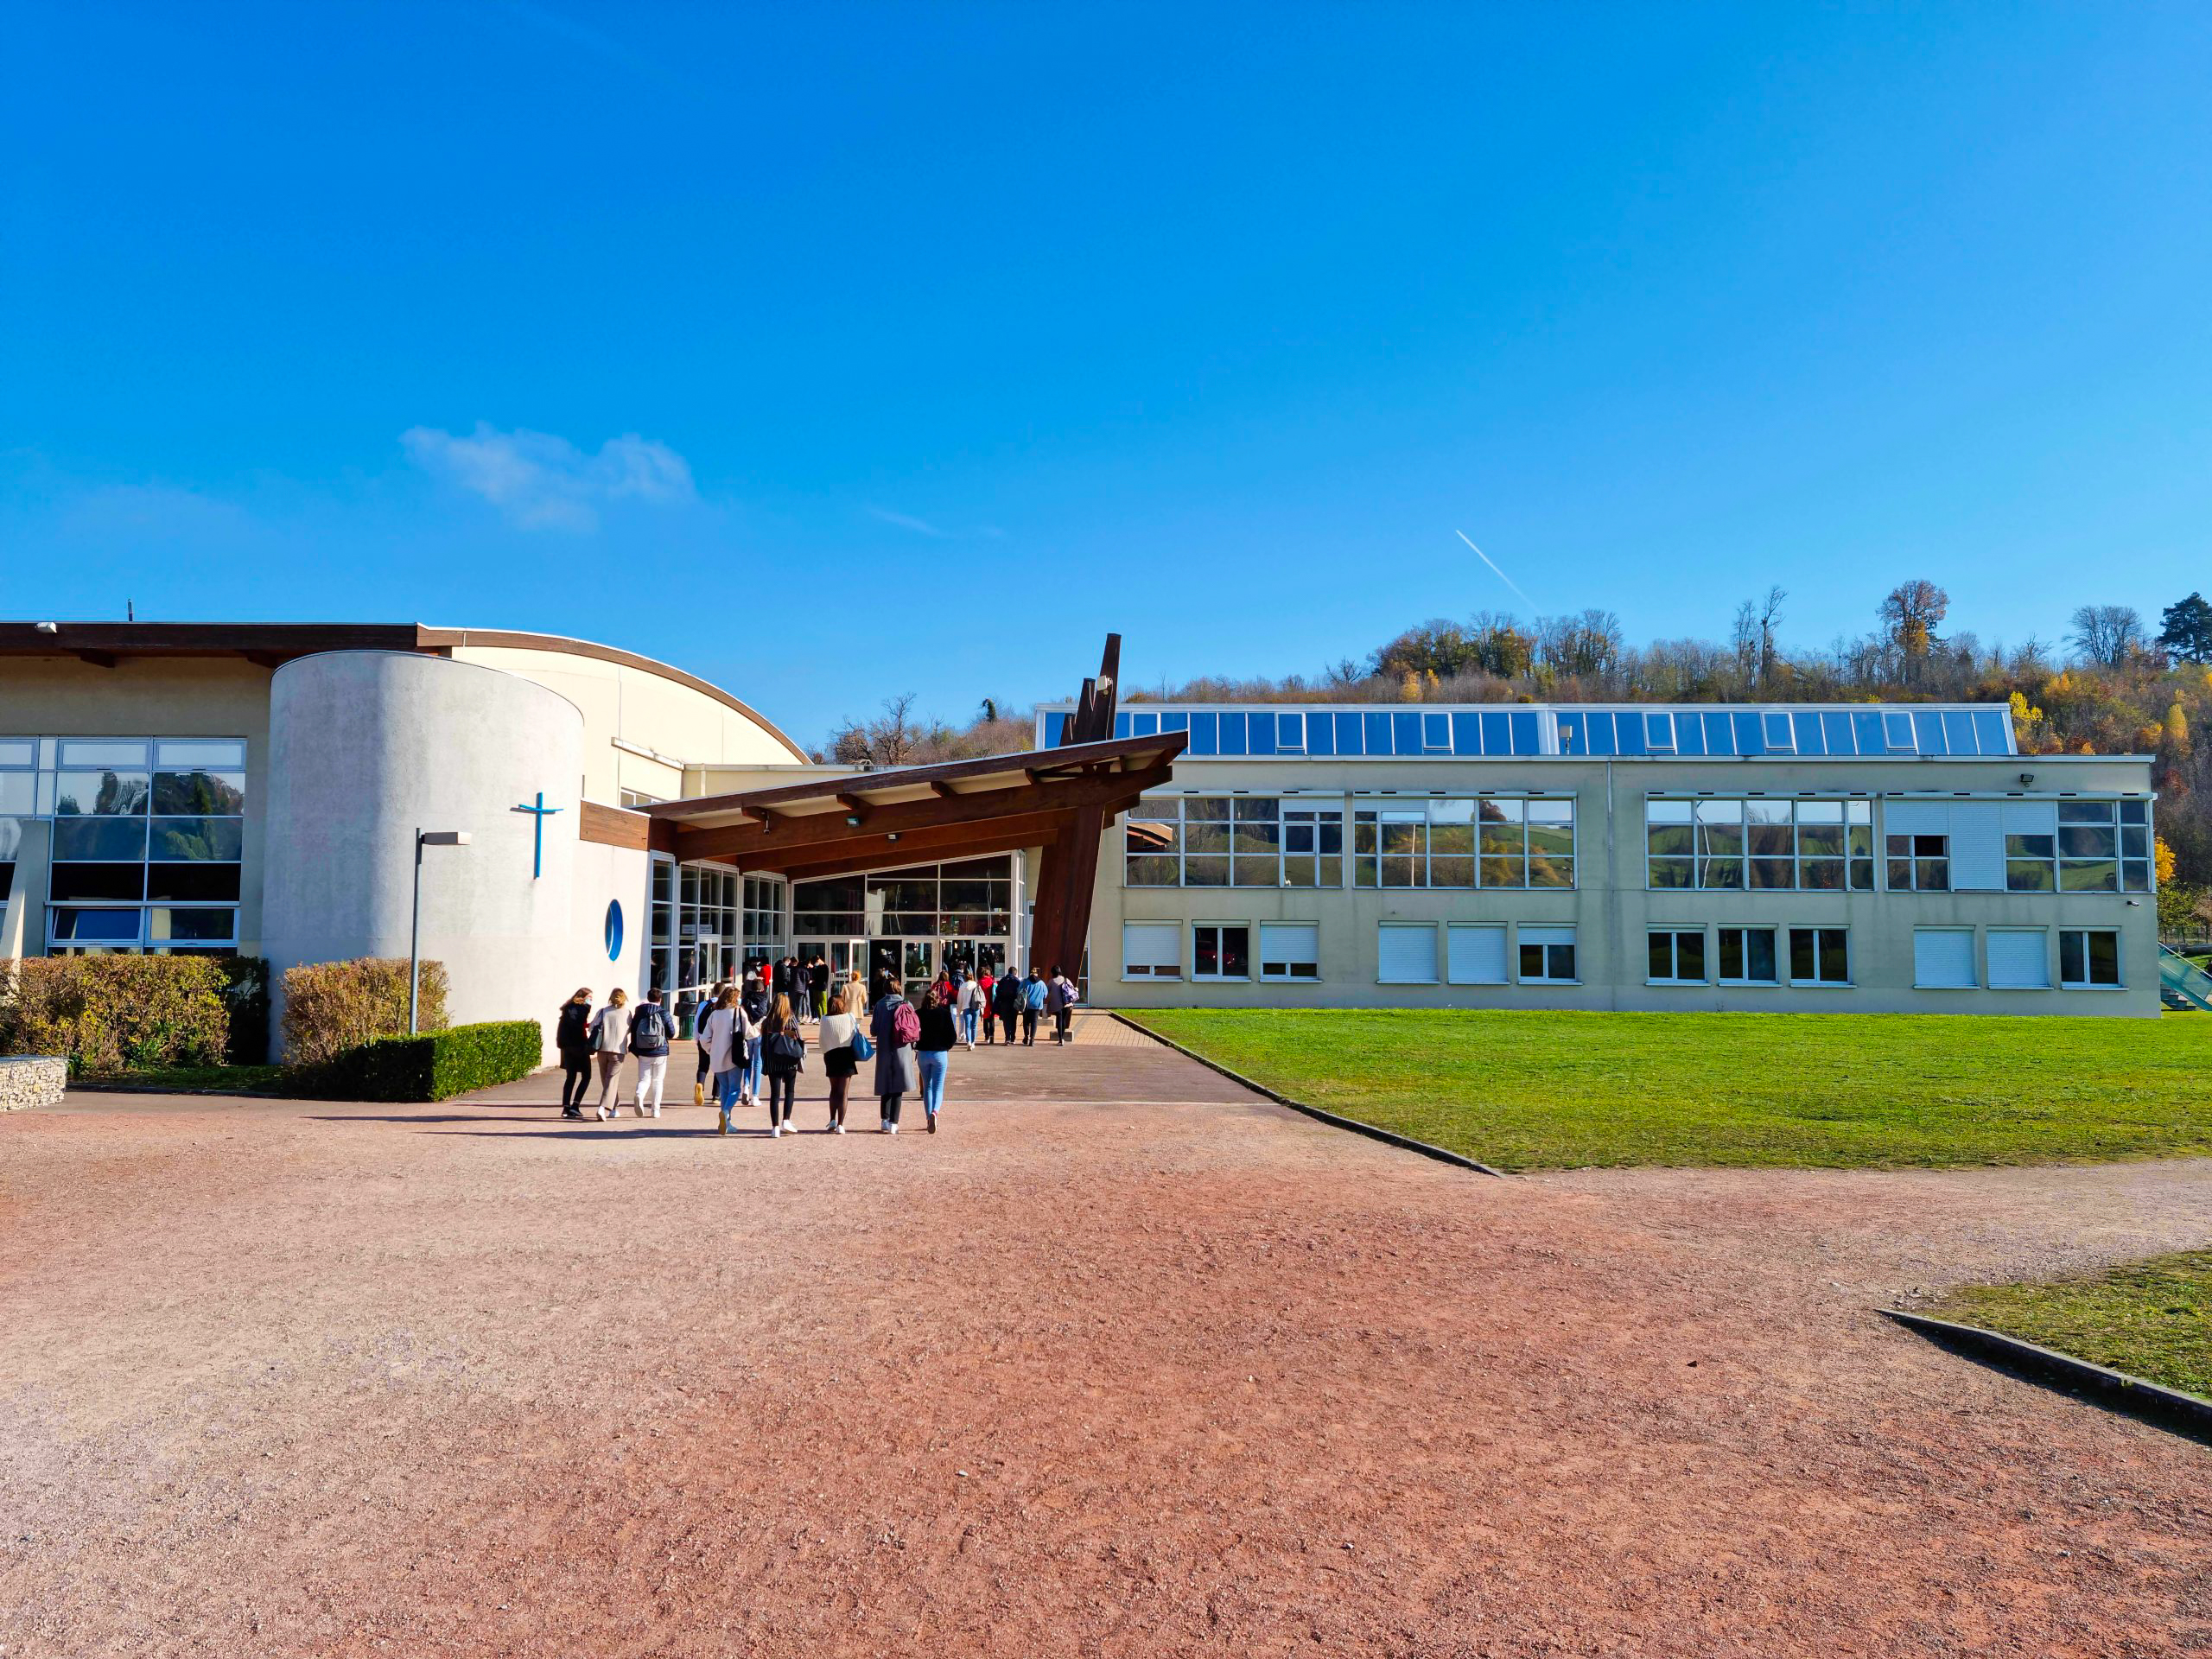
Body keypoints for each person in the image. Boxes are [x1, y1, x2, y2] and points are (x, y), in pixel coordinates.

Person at [870, 970, 918, 1133]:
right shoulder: (907, 1004)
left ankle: (884, 1119)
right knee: (898, 1085)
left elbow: (874, 1030)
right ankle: (894, 1123)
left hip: (884, 1048)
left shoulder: (879, 1005)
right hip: (902, 1047)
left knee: (885, 1083)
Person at [702, 987, 751, 1135]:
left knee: (724, 1089)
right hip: (734, 1056)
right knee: (735, 1089)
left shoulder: (714, 1014)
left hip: (717, 1057)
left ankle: (726, 1122)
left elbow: (704, 1038)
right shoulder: (738, 1012)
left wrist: (712, 1049)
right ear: (735, 998)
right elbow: (748, 1032)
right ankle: (725, 1112)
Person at [759, 994, 807, 1137]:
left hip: (773, 1061)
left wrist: (765, 1061)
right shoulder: (790, 1018)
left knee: (775, 1094)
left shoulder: (767, 1021)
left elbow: (763, 1044)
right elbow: (798, 1037)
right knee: (789, 1091)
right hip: (789, 1059)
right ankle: (786, 1119)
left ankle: (775, 1127)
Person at [817, 987, 862, 1134]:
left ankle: (832, 1119)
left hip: (830, 1054)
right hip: (846, 1054)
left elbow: (822, 1039)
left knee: (834, 1089)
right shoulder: (849, 1017)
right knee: (844, 1091)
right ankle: (841, 1124)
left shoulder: (824, 1019)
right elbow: (855, 1034)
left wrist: (826, 1051)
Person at [916, 982, 957, 1133]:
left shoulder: (918, 1013)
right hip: (940, 1053)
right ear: (938, 999)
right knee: (938, 1087)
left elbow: (914, 1033)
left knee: (927, 1087)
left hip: (923, 1053)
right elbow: (952, 1036)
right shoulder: (944, 1014)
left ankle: (928, 1117)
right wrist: (946, 1047)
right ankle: (935, 1112)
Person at [589, 988, 633, 1119]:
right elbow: (630, 1029)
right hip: (618, 1051)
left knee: (606, 1080)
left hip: (602, 1049)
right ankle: (602, 1107)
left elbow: (592, 1027)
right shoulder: (627, 1013)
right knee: (611, 1080)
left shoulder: (603, 1012)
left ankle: (613, 1108)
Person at [627, 986, 672, 1116]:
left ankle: (639, 1096)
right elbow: (672, 1032)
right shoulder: (663, 1013)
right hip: (660, 1051)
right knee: (658, 1080)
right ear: (660, 999)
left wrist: (636, 1048)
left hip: (643, 1051)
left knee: (644, 1079)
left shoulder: (639, 1012)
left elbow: (634, 1031)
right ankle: (655, 1110)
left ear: (648, 998)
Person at [556, 987, 594, 1118]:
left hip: (567, 1047)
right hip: (579, 1046)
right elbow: (578, 1027)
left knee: (570, 1077)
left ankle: (566, 1108)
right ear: (584, 997)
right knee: (586, 1076)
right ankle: (575, 1105)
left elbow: (570, 1025)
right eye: (590, 997)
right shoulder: (584, 1009)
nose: (591, 1000)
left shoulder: (567, 1008)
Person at [739, 972, 770, 1106]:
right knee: (758, 1064)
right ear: (762, 988)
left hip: (747, 1033)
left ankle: (746, 1086)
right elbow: (766, 1014)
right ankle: (755, 1096)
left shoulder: (746, 999)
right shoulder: (765, 998)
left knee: (747, 1063)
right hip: (759, 1033)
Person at [693, 980, 726, 1106]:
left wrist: (697, 1039)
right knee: (718, 1068)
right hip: (718, 1041)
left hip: (703, 1039)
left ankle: (700, 1084)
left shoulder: (703, 1004)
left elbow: (697, 1022)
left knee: (703, 1066)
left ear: (713, 992)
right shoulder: (724, 1006)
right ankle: (716, 1096)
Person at [1046, 964, 1078, 1046]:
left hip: (1057, 1005)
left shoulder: (1051, 981)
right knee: (1063, 1020)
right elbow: (1073, 989)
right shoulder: (1066, 979)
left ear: (1052, 972)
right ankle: (1062, 1037)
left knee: (1059, 1020)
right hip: (1067, 1004)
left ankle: (1060, 1039)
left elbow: (1047, 991)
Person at [994, 969, 1024, 1046]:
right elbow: (1020, 992)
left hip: (1004, 1003)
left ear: (1008, 972)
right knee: (1013, 1021)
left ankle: (1007, 1038)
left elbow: (997, 991)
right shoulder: (1017, 981)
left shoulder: (1003, 980)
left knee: (1006, 1021)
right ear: (1015, 973)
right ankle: (1013, 1038)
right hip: (1014, 1003)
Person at [955, 969, 982, 1049]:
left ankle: (969, 1041)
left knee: (968, 1025)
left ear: (965, 979)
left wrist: (959, 1010)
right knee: (974, 1025)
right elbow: (980, 997)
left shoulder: (962, 986)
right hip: (976, 1007)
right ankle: (973, 1042)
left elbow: (959, 999)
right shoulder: (976, 985)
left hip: (966, 1007)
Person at [1021, 967, 1046, 1046]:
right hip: (1037, 1005)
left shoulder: (1025, 982)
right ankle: (1032, 1039)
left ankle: (1026, 1037)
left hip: (1026, 1005)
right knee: (1034, 1022)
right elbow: (1045, 994)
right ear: (1037, 974)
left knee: (1026, 1022)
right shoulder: (1041, 983)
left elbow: (1018, 991)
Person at [976, 965, 996, 1045]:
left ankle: (986, 1036)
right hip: (991, 1002)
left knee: (985, 1020)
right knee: (992, 1020)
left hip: (983, 1003)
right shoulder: (992, 981)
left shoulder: (980, 981)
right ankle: (992, 1036)